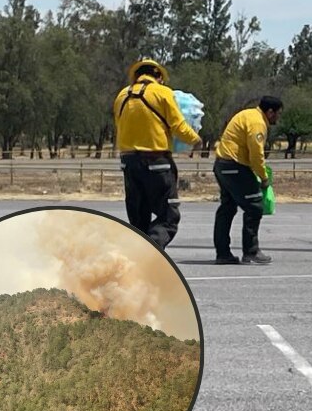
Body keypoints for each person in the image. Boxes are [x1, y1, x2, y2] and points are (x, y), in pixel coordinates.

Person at [113, 58, 201, 249]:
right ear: (159, 76)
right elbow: (178, 125)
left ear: (136, 76)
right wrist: (195, 140)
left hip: (128, 162)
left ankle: (133, 261)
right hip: (156, 161)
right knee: (168, 216)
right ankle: (148, 254)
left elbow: (120, 126)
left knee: (138, 218)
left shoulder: (121, 96)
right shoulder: (163, 93)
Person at [212, 96, 283, 265]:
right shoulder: (257, 122)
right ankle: (251, 252)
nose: (278, 118)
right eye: (277, 114)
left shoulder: (248, 114)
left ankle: (223, 253)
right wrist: (264, 178)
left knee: (227, 208)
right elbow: (256, 155)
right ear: (270, 111)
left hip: (222, 164)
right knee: (254, 206)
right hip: (235, 166)